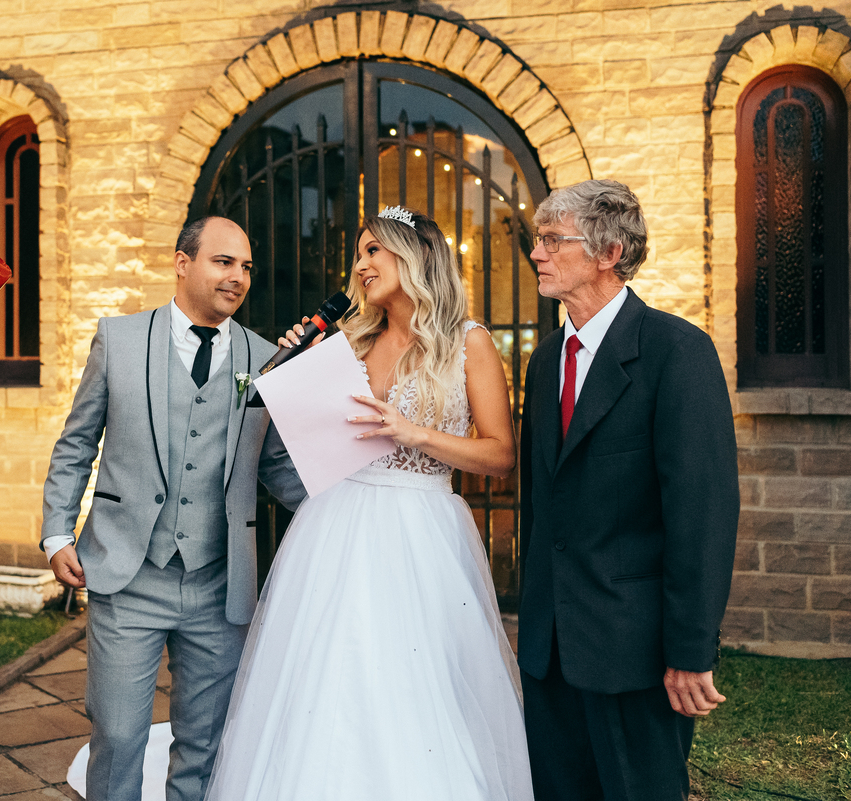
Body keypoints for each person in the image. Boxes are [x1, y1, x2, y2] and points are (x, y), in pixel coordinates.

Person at [203, 206, 534, 800]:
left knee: (414, 683)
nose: (359, 267)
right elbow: (302, 433)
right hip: (336, 522)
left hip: (420, 529)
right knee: (327, 679)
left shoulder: (469, 342)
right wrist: (294, 365)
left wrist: (420, 435)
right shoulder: (351, 339)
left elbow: (502, 453)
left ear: (414, 255)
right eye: (358, 255)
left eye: (372, 252)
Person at [41, 216, 306, 801]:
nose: (238, 278)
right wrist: (57, 532)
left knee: (205, 741)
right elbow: (78, 441)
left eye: (247, 267)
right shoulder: (119, 337)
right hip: (127, 574)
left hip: (219, 581)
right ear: (183, 263)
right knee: (118, 735)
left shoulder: (265, 359)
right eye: (223, 262)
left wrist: (342, 507)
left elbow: (276, 466)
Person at [518, 179, 739, 800]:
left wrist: (691, 650)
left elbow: (702, 514)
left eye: (552, 241)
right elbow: (541, 507)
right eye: (538, 240)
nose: (537, 254)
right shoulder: (544, 361)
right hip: (550, 652)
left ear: (609, 251)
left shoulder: (677, 352)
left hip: (635, 655)